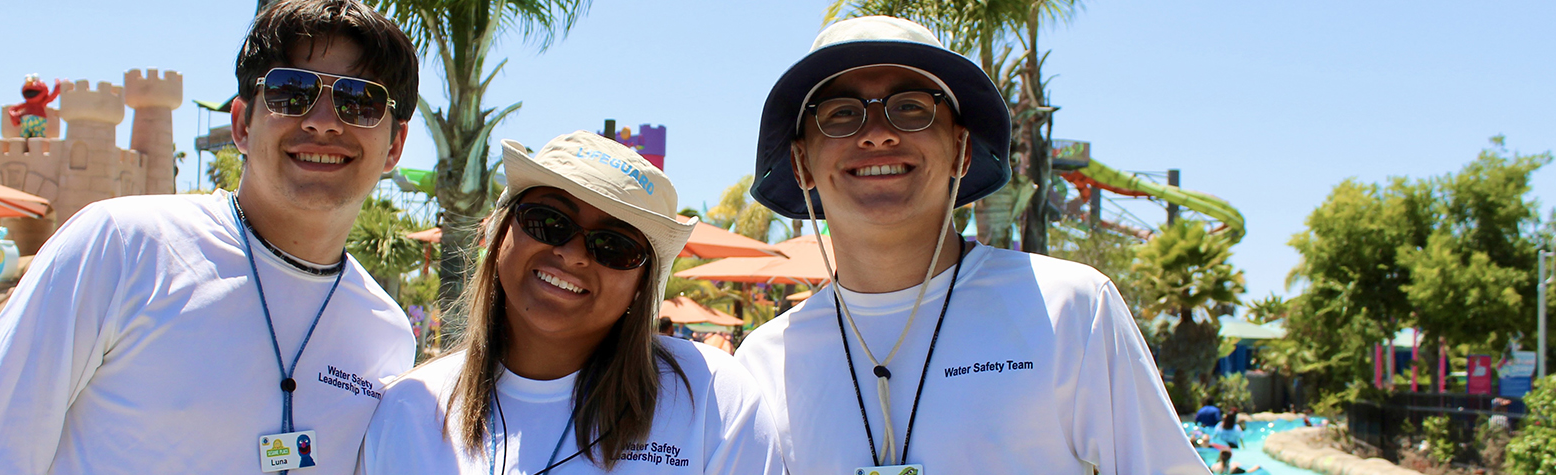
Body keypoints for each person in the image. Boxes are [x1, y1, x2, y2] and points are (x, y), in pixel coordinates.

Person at [0, 1, 420, 473]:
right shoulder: (120, 246)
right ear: (243, 124)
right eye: (292, 92)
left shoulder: (385, 335)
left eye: (359, 101)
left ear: (394, 144)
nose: (321, 122)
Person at [733, 16, 1207, 474]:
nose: (878, 134)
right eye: (840, 115)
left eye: (912, 107)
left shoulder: (1071, 307)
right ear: (802, 165)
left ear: (961, 149)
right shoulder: (763, 362)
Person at [360, 132, 784, 474]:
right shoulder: (410, 406)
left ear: (642, 283)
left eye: (614, 246)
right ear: (500, 232)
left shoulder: (714, 399)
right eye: (549, 222)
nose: (573, 254)